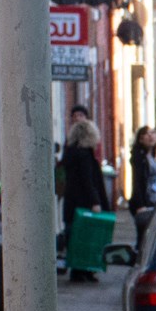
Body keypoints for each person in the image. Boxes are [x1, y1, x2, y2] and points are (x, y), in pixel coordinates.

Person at [61, 106, 111, 283]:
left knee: (77, 236)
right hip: (84, 203)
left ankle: (82, 270)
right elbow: (88, 181)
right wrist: (95, 202)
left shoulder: (72, 152)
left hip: (72, 202)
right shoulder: (84, 155)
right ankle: (82, 270)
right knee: (86, 236)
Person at [128, 126, 156, 235]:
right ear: (140, 139)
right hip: (144, 202)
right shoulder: (139, 157)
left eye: (153, 133)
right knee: (144, 235)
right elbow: (137, 181)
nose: (151, 136)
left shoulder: (151, 155)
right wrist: (140, 205)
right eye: (147, 134)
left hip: (153, 200)